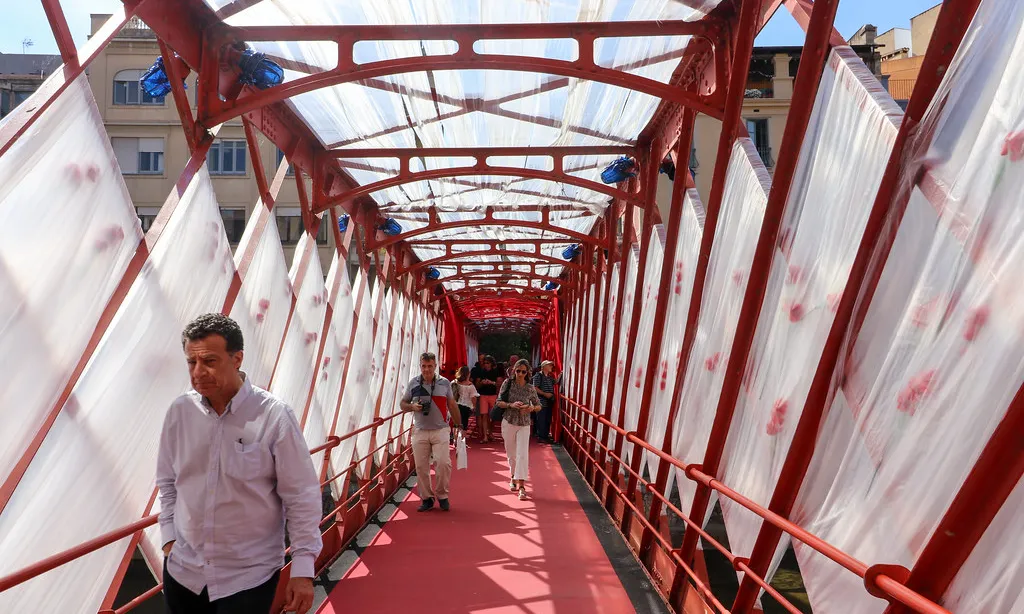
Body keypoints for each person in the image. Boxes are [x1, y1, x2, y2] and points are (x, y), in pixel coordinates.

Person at [157, 313, 321, 614]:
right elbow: (167, 482)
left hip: (247, 577)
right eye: (191, 362)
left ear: (237, 359)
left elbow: (301, 495)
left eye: (209, 361)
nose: (198, 372)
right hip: (183, 571)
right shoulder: (179, 412)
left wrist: (302, 569)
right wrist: (169, 539)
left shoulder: (274, 416)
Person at [400, 352, 462, 512]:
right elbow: (403, 404)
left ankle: (442, 495)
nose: (426, 369)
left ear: (435, 366)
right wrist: (412, 407)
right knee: (421, 467)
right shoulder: (413, 383)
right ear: (420, 366)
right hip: (420, 430)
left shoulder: (444, 383)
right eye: (423, 366)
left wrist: (459, 425)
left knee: (443, 463)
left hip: (440, 429)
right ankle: (426, 498)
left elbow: (452, 404)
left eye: (430, 366)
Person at [495, 359, 541, 501]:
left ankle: (521, 486)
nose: (520, 374)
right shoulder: (507, 384)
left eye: (523, 371)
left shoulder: (530, 388)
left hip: (524, 423)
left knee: (522, 454)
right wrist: (511, 405)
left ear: (527, 373)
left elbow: (538, 405)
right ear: (513, 371)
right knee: (511, 454)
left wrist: (531, 408)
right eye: (518, 371)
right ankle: (513, 476)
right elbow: (499, 402)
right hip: (509, 421)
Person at [471, 355, 503, 443]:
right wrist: (482, 383)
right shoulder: (481, 372)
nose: (486, 365)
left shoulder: (496, 372)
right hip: (483, 395)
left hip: (493, 395)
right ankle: (485, 436)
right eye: (484, 363)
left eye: (488, 363)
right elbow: (477, 385)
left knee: (493, 416)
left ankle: (490, 432)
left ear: (492, 364)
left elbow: (500, 384)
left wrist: (491, 382)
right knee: (484, 415)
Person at [532, 360, 560, 444]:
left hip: (548, 401)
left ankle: (545, 436)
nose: (551, 367)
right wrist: (545, 394)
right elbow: (535, 388)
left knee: (547, 419)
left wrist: (560, 376)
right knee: (541, 419)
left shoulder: (549, 377)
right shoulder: (538, 376)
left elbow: (556, 382)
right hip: (541, 401)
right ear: (544, 367)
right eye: (550, 365)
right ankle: (541, 436)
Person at [454, 366, 479, 433]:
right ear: (468, 374)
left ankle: (455, 439)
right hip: (465, 406)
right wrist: (474, 406)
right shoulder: (470, 385)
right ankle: (462, 439)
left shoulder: (454, 383)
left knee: (456, 423)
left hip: (455, 405)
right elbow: (473, 398)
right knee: (464, 424)